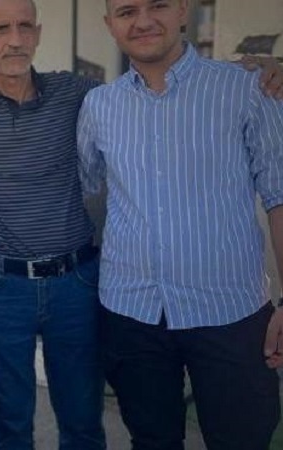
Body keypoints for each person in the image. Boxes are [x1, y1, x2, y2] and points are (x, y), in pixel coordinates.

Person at [0, 1, 283, 448]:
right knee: (14, 423)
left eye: (25, 26)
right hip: (21, 289)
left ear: (38, 33)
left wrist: (268, 66)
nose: (14, 40)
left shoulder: (82, 94)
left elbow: (275, 189)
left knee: (86, 421)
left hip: (92, 285)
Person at [78, 1, 283, 449]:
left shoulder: (246, 88)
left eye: (158, 5)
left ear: (183, 10)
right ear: (110, 24)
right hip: (132, 310)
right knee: (151, 440)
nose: (143, 20)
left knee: (242, 439)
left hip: (230, 312)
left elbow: (279, 195)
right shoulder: (99, 104)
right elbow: (86, 187)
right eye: (127, 11)